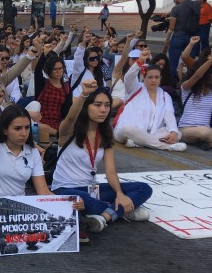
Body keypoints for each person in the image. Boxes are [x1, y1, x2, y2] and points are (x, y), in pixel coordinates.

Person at [0, 90, 81, 253]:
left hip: (20, 212)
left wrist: (68, 203)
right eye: (17, 128)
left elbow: (43, 191)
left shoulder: (32, 152)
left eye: (26, 128)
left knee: (69, 217)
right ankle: (29, 236)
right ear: (5, 130)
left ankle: (9, 240)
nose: (23, 133)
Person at [52, 80, 152, 234]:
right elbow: (71, 118)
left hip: (92, 188)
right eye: (97, 105)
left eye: (107, 105)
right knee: (86, 200)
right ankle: (124, 211)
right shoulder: (68, 132)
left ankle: (104, 217)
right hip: (65, 189)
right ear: (86, 107)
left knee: (144, 188)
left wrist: (119, 194)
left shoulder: (106, 135)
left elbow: (110, 172)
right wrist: (84, 94)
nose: (103, 110)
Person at [114, 63, 186, 151]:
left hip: (153, 133)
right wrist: (139, 62)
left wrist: (173, 132)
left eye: (156, 77)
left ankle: (139, 142)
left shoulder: (164, 95)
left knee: (178, 133)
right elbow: (128, 77)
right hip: (130, 131)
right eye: (150, 77)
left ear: (160, 78)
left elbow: (169, 114)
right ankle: (166, 146)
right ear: (144, 78)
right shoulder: (135, 88)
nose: (153, 80)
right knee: (128, 129)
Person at [178, 54, 212, 150]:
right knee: (204, 132)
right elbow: (197, 75)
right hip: (185, 130)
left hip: (206, 130)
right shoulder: (187, 88)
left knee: (205, 132)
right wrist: (210, 61)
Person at [166, 0, 201, 78]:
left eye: (175, 0)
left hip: (179, 36)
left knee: (173, 62)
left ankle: (171, 82)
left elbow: (172, 27)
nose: (175, 2)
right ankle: (189, 82)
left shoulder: (176, 8)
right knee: (191, 62)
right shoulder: (196, 5)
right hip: (193, 37)